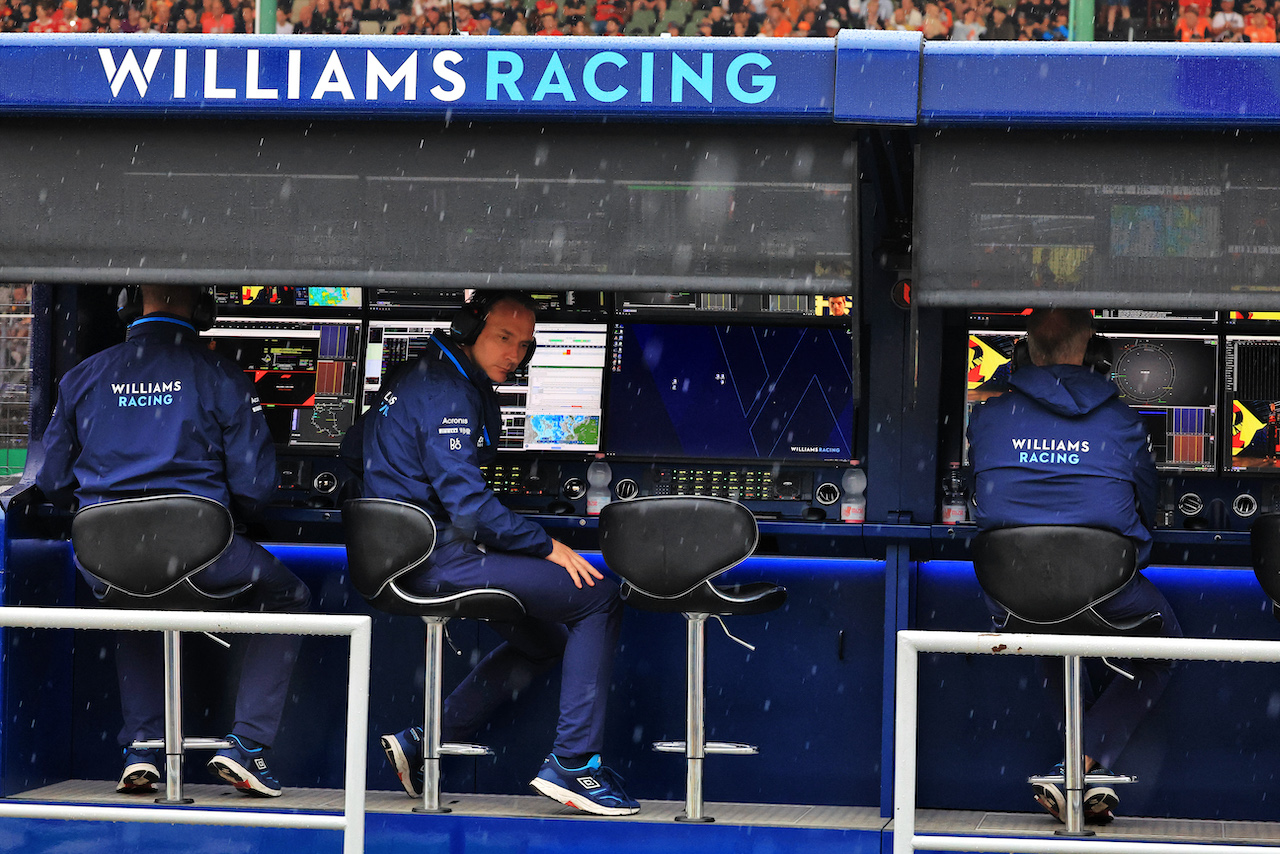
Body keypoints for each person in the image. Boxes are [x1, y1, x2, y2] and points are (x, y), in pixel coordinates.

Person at [360, 292, 638, 817]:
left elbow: (356, 451)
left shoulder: (419, 372)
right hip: (435, 559)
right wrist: (547, 544)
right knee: (598, 598)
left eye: (525, 345)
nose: (515, 354)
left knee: (540, 642)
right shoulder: (447, 392)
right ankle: (575, 764)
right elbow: (468, 502)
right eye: (503, 338)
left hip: (401, 553)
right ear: (470, 328)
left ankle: (426, 744)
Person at [35, 285, 312, 798]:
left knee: (135, 597)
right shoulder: (223, 376)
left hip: (103, 558)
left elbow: (51, 480)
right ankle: (245, 747)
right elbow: (254, 489)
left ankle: (143, 747)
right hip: (201, 556)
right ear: (203, 310)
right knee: (289, 594)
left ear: (128, 304)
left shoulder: (81, 377)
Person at [967, 308, 1182, 825]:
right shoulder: (1124, 423)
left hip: (1010, 592)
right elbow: (1144, 514)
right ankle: (1080, 765)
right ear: (1097, 356)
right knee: (1165, 645)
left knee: (1043, 620)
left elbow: (982, 497)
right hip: (1107, 590)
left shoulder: (990, 416)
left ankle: (1074, 769)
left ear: (1021, 354)